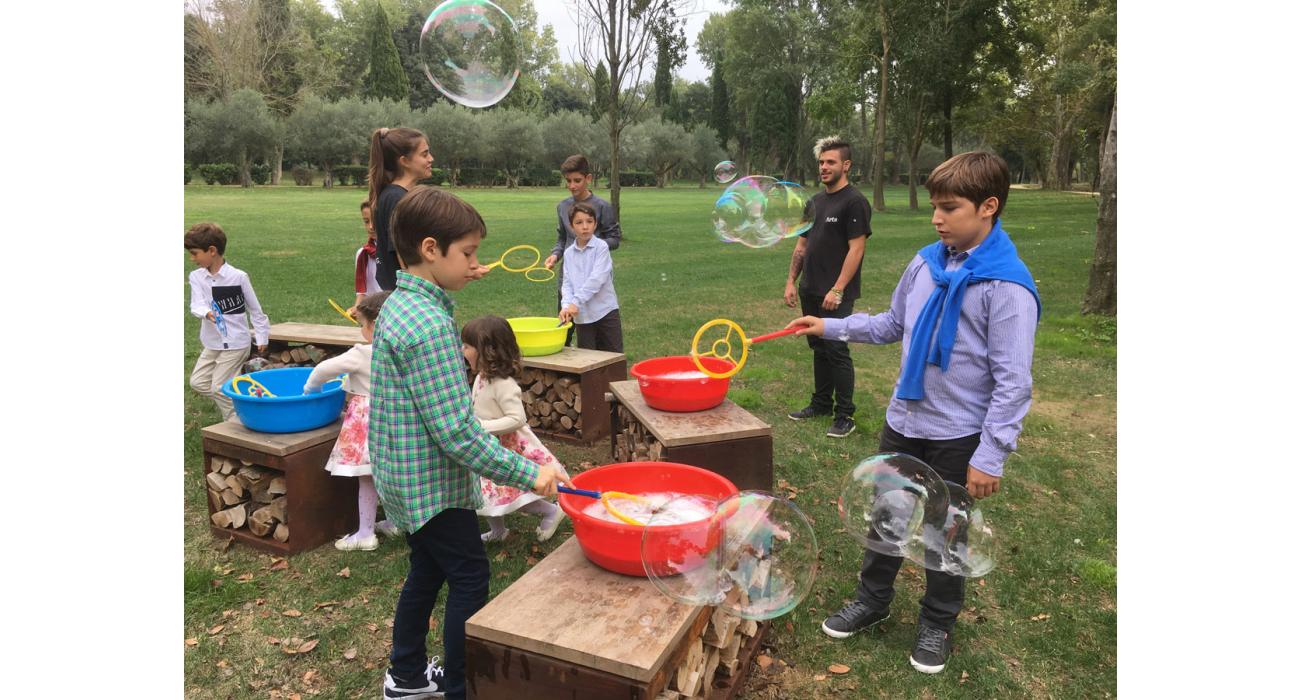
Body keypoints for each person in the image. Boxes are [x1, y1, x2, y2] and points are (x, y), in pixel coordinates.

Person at [787, 151, 1041, 675]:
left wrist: (991, 454)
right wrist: (828, 327)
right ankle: (873, 599)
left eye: (949, 208)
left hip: (958, 435)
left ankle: (937, 621)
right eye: (934, 207)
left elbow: (1014, 384)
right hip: (903, 423)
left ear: (988, 207)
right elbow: (888, 326)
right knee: (887, 515)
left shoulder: (1008, 287)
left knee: (946, 532)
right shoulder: (925, 263)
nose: (936, 218)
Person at [369, 185, 569, 700]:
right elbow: (457, 432)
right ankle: (458, 687)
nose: (474, 263)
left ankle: (407, 675)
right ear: (431, 249)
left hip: (404, 478)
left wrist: (461, 274)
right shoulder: (431, 327)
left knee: (427, 570)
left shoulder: (401, 302)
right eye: (468, 254)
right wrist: (532, 474)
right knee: (468, 578)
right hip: (431, 486)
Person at [783, 136, 871, 439]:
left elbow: (856, 249)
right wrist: (791, 282)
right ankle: (820, 403)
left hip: (834, 292)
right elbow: (801, 244)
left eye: (830, 162)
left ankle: (844, 414)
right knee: (819, 349)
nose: (824, 167)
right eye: (821, 162)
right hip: (810, 288)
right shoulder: (815, 202)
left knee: (836, 350)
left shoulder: (854, 201)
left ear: (846, 165)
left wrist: (838, 289)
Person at [303, 291, 402, 551]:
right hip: (396, 419)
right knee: (388, 475)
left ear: (373, 326)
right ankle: (394, 520)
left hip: (367, 422)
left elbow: (323, 369)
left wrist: (310, 389)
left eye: (362, 325)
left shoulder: (362, 353)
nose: (361, 331)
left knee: (366, 478)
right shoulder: (402, 348)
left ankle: (366, 533)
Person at [461, 315, 569, 543]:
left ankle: (550, 511)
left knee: (515, 492)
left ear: (487, 351)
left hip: (506, 446)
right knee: (488, 493)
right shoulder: (482, 376)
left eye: (467, 346)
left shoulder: (503, 384)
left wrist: (482, 426)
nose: (462, 350)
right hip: (487, 442)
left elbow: (517, 419)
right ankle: (498, 530)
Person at [186, 222, 270, 420]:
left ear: (212, 251)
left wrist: (262, 336)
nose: (192, 258)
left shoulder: (238, 277)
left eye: (195, 253)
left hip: (236, 342)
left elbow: (255, 310)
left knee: (218, 387)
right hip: (212, 341)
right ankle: (242, 404)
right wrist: (207, 313)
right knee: (198, 382)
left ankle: (235, 422)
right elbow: (196, 304)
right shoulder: (196, 277)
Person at [543, 154, 621, 346]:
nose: (572, 186)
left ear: (588, 179)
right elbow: (562, 238)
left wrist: (591, 246)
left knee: (603, 341)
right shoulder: (563, 207)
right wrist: (556, 254)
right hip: (569, 275)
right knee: (565, 333)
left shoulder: (602, 206)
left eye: (577, 180)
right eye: (568, 181)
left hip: (594, 275)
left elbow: (615, 238)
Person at [367, 127, 434, 291]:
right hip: (408, 294)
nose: (431, 159)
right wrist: (416, 293)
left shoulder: (396, 195)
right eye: (424, 154)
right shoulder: (396, 198)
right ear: (404, 161)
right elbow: (402, 252)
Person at [558, 202, 623, 352]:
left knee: (613, 358)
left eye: (589, 221)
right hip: (583, 316)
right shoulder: (568, 254)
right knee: (588, 361)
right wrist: (566, 306)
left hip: (605, 312)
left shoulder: (601, 247)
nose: (585, 227)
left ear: (595, 224)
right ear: (571, 226)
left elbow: (596, 279)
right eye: (579, 222)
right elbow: (567, 284)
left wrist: (575, 302)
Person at [347, 200, 382, 319]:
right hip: (372, 317)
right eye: (366, 221)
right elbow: (362, 291)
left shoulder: (397, 253)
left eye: (375, 221)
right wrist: (357, 308)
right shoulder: (362, 254)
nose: (371, 226)